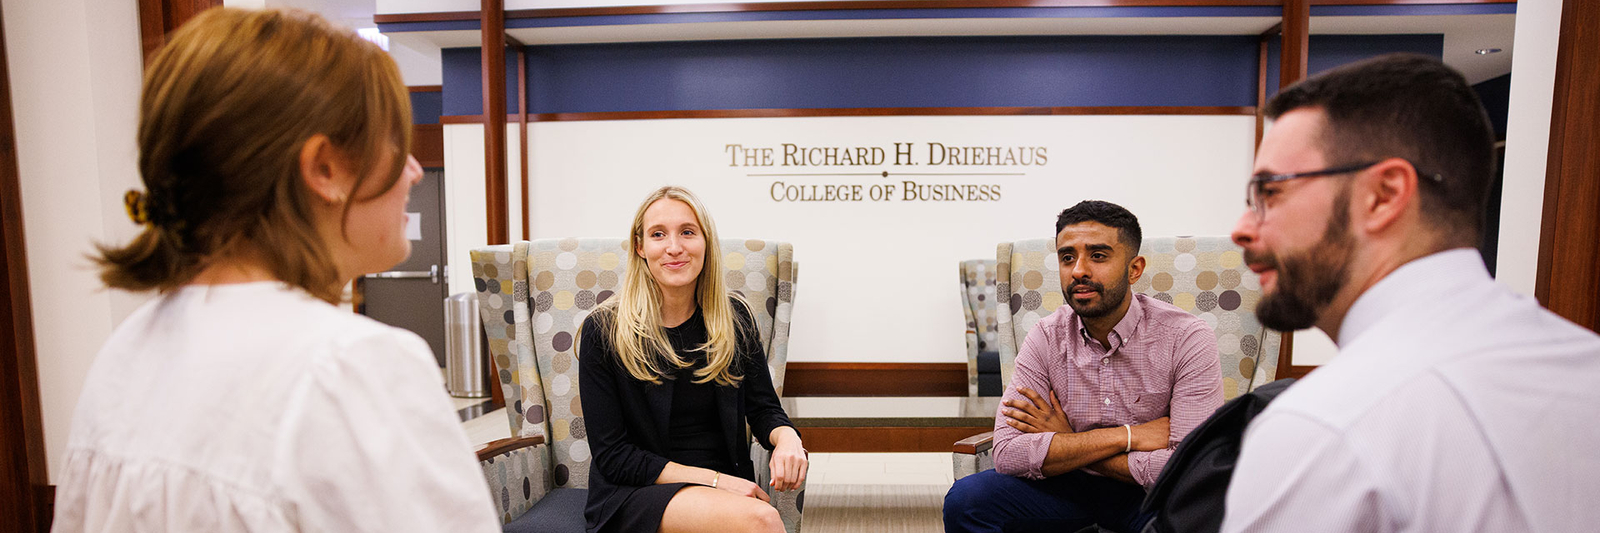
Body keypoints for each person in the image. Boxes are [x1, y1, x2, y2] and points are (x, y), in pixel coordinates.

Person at [50, 8, 497, 532]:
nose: (416, 171)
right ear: (324, 169)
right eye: (396, 145)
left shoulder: (122, 357)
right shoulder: (349, 369)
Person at [1222, 54, 1600, 532]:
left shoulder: (1324, 428)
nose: (1241, 229)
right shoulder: (1586, 364)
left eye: (1269, 193)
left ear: (1382, 195)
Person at [944, 200, 1223, 533]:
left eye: (1098, 256)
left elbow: (1188, 469)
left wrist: (1068, 440)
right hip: (1062, 485)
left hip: (1146, 496)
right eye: (1067, 257)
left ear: (1134, 269)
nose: (1078, 271)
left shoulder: (1187, 338)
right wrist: (1127, 436)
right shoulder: (1046, 336)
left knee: (1201, 518)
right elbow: (1007, 452)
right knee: (968, 500)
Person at [578, 186, 807, 533]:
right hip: (637, 491)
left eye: (688, 232)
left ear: (706, 243)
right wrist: (716, 482)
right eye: (658, 234)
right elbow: (614, 455)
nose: (674, 247)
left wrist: (789, 438)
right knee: (761, 521)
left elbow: (763, 409)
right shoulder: (604, 329)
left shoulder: (735, 318)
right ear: (640, 247)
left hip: (724, 482)